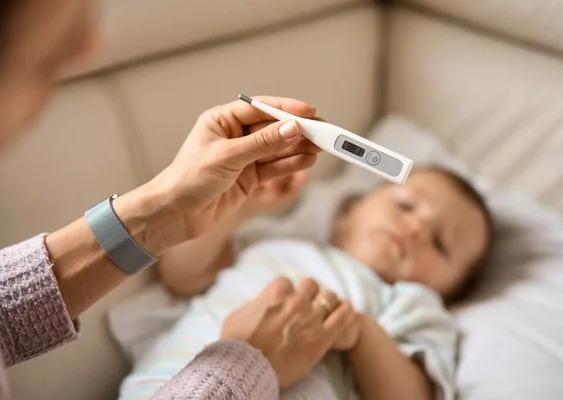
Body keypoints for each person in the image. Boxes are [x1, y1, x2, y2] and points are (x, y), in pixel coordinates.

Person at [0, 1, 354, 399]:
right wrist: (246, 363)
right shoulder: (281, 244)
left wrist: (163, 209)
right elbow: (188, 274)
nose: (90, 44)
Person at [118, 166, 494, 400]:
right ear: (351, 210)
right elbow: (182, 274)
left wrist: (361, 331)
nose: (415, 229)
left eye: (440, 244)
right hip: (169, 381)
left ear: (449, 290)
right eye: (406, 206)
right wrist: (242, 207)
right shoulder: (275, 242)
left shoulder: (410, 302)